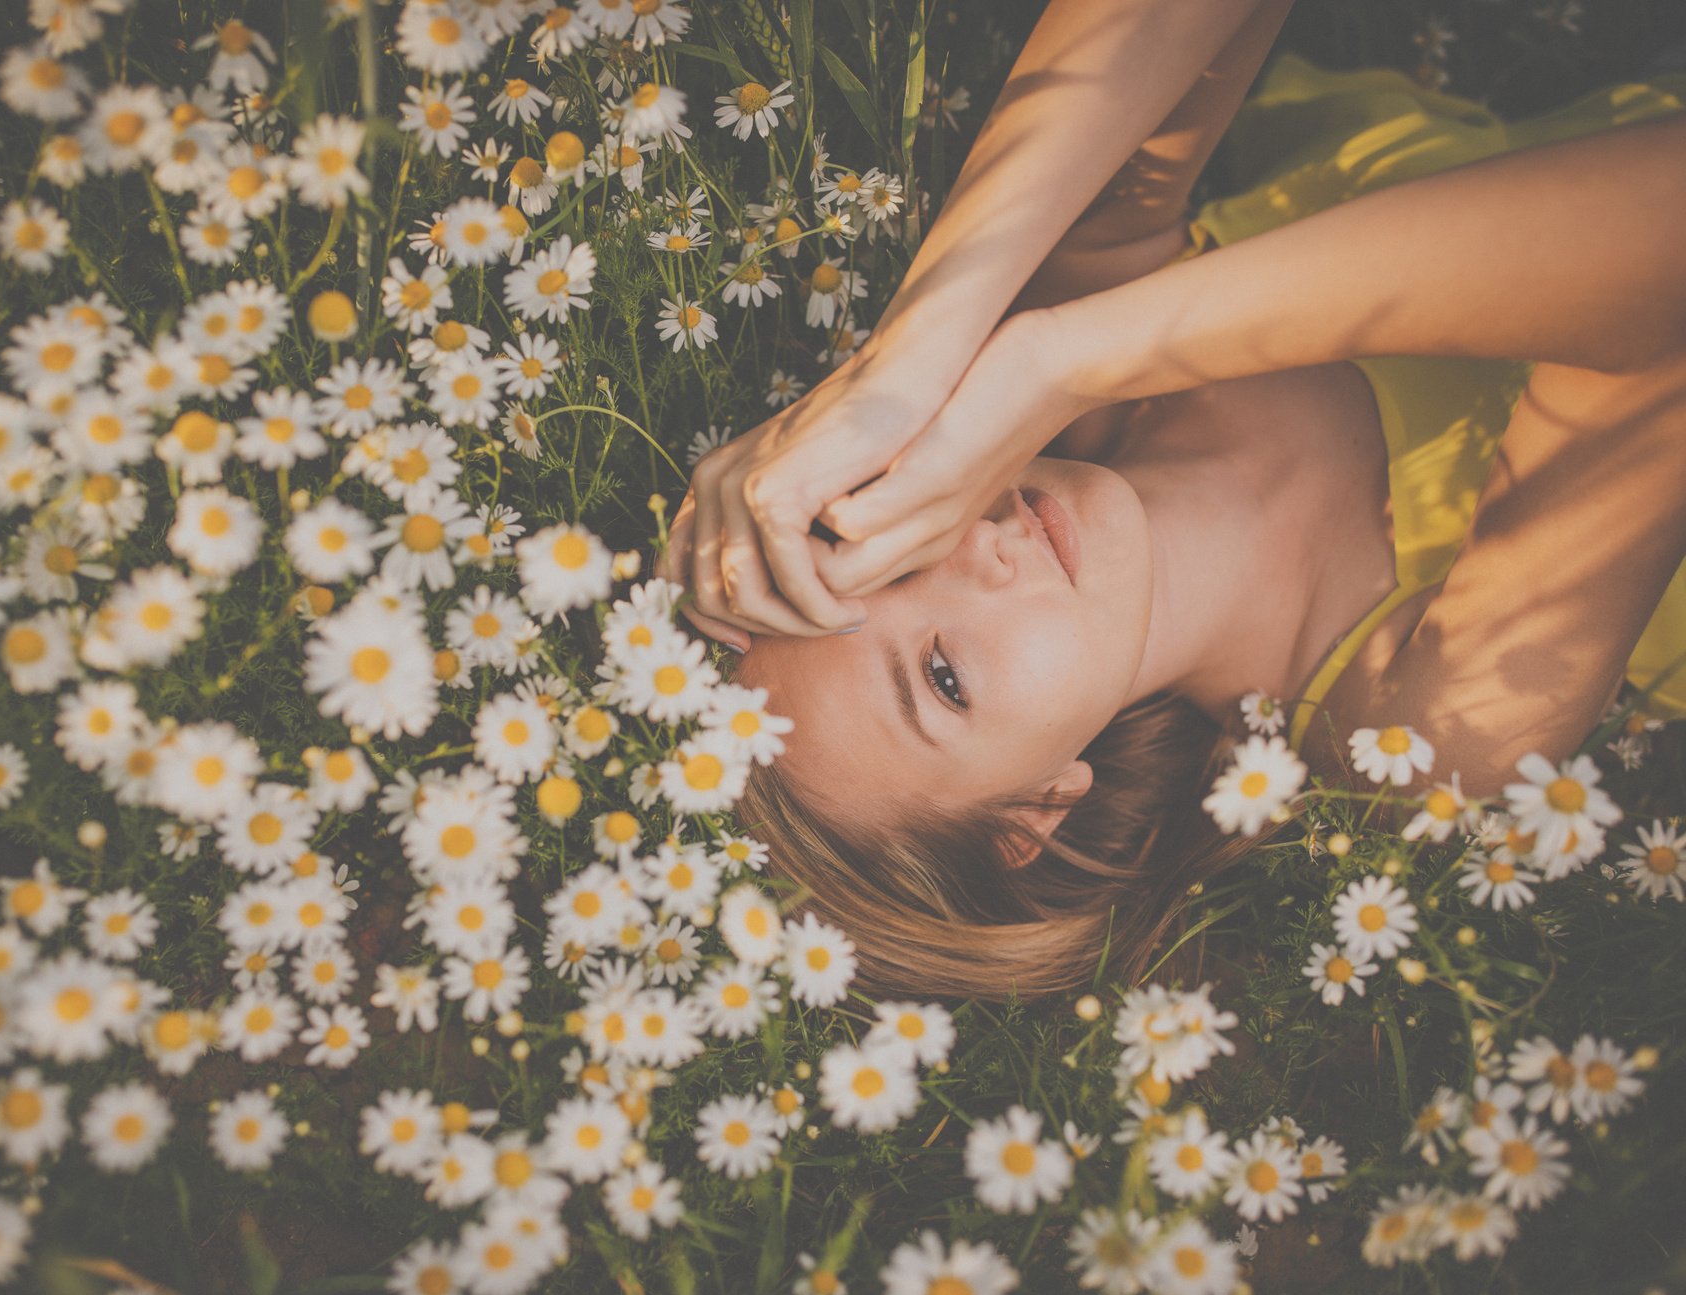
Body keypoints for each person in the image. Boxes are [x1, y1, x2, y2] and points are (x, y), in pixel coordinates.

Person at [654, 0, 1686, 1000]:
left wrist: (925, 337)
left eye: (874, 544)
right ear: (1038, 810)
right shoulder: (1421, 735)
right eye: (943, 676)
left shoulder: (1069, 340)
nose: (972, 544)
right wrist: (1060, 359)